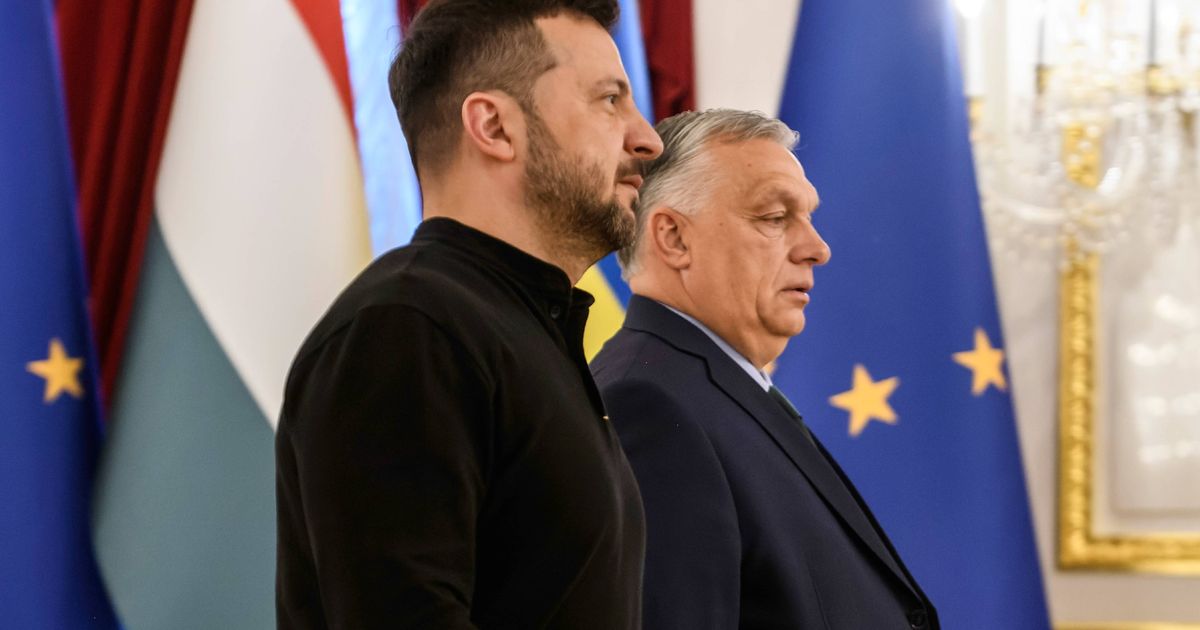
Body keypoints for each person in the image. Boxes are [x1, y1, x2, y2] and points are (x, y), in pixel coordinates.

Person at [274, 1, 662, 627]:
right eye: (609, 100)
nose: (648, 138)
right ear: (494, 126)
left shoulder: (523, 329)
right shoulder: (407, 328)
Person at [591, 109, 940, 629]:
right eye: (775, 218)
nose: (818, 249)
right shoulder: (649, 405)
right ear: (674, 238)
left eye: (809, 217)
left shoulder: (713, 388)